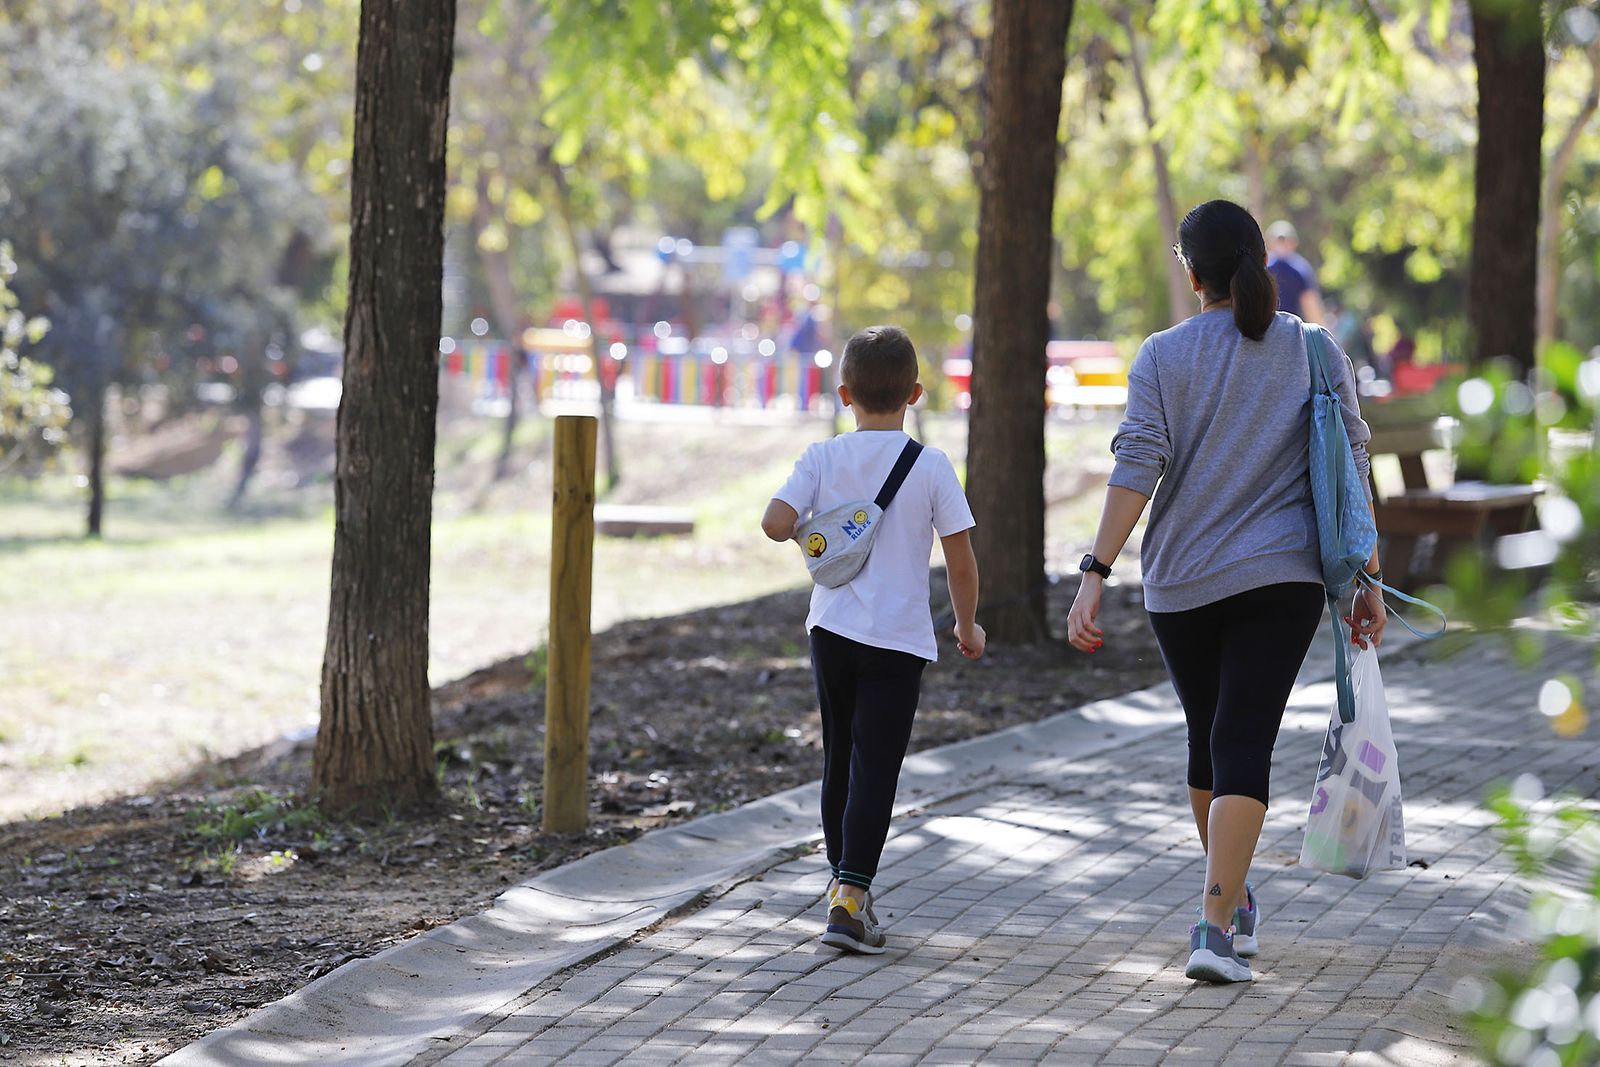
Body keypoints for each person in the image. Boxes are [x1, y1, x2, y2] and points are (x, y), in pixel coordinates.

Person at [1066, 200, 1386, 984]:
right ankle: (1228, 904)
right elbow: (1352, 469)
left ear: (1191, 272)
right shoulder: (1315, 350)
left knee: (1217, 738)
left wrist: (1094, 573)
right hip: (1280, 579)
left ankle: (1214, 920)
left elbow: (1137, 464)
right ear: (1258, 263)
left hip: (1181, 583)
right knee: (1233, 738)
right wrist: (1367, 577)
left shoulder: (1162, 355)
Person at [761, 324, 985, 954]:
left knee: (840, 759)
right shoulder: (931, 465)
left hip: (831, 630)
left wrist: (820, 531)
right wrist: (967, 626)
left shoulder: (821, 457)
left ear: (843, 394)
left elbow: (774, 522)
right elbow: (961, 561)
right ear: (915, 393)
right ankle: (851, 901)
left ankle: (844, 890)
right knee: (876, 767)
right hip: (898, 639)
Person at [1266, 219, 1325, 324]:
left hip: (1279, 329)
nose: (1282, 244)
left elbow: (1310, 303)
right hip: (1288, 331)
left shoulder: (1299, 269)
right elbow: (1312, 308)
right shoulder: (1300, 267)